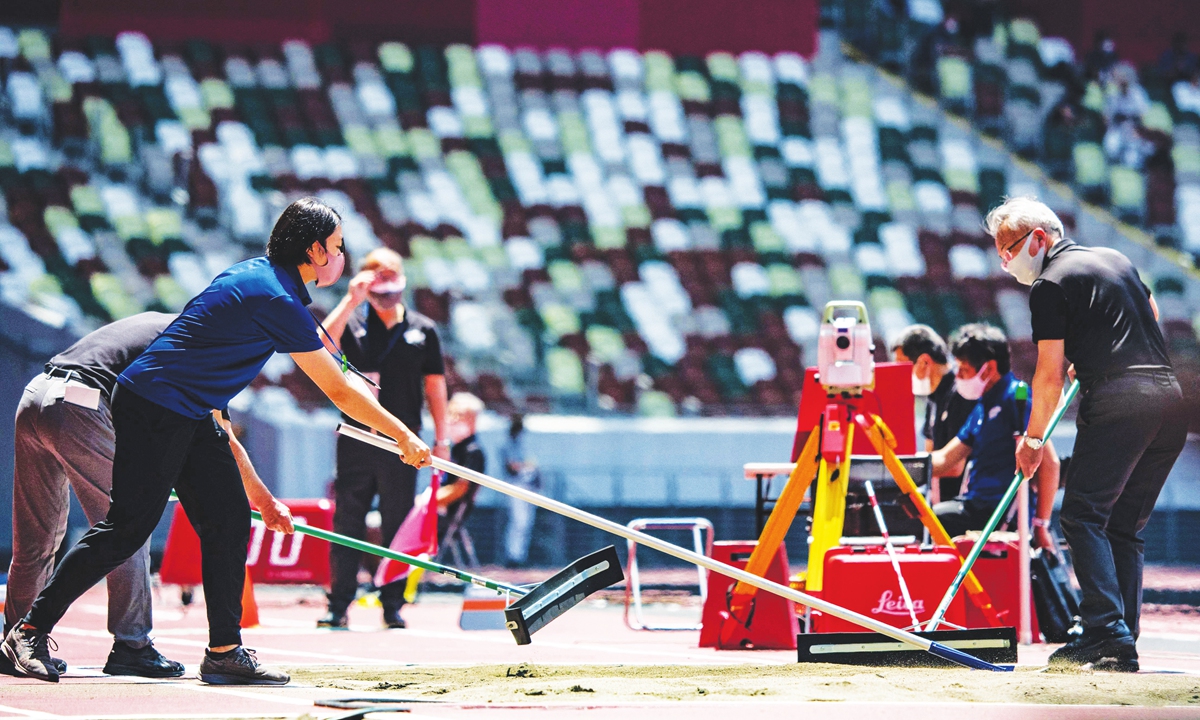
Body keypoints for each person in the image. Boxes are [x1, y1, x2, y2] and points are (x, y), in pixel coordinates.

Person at [2, 197, 431, 684]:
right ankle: (28, 631)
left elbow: (227, 413)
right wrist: (402, 436)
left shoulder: (259, 278)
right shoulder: (275, 298)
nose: (341, 257)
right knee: (126, 527)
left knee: (228, 520)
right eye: (337, 247)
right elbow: (336, 389)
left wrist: (263, 498)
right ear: (313, 251)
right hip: (154, 405)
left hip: (187, 409)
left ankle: (225, 651)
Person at [987, 196, 1186, 672]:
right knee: (1121, 524)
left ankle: (1104, 631)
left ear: (1040, 237)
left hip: (1121, 400)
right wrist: (1096, 346)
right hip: (1170, 401)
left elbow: (1048, 377)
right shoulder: (1115, 259)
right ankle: (1121, 634)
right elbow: (1150, 313)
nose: (1006, 262)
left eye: (1009, 249)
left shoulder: (1050, 284)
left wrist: (1033, 442)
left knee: (1081, 515)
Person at [4, 313, 183, 679]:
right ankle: (132, 645)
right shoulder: (191, 338)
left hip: (37, 391)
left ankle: (13, 641)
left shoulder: (155, 321)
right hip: (81, 404)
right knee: (126, 530)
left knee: (37, 540)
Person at [314, 247, 448, 631]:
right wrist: (351, 297)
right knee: (348, 521)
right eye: (378, 291)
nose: (386, 300)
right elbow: (320, 346)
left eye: (392, 290)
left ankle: (393, 605)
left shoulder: (423, 330)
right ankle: (338, 604)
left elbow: (436, 388)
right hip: (357, 438)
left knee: (397, 523)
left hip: (404, 443)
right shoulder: (353, 322)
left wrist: (442, 440)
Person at [929, 324, 1060, 544]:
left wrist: (1041, 526)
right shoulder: (982, 405)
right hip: (976, 504)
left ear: (988, 368)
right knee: (924, 513)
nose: (958, 377)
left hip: (1000, 511)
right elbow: (945, 459)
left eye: (964, 370)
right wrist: (894, 466)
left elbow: (1050, 464)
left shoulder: (1017, 398)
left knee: (931, 519)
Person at [891, 324, 974, 504]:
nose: (899, 374)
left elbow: (954, 466)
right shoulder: (933, 396)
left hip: (963, 502)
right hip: (939, 500)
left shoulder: (962, 394)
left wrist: (896, 471)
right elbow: (929, 453)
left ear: (924, 362)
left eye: (902, 366)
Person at [436, 392, 486, 545]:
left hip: (448, 516)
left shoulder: (473, 451)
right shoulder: (456, 448)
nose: (452, 419)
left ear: (473, 419)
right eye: (450, 414)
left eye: (458, 414)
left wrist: (427, 501)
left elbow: (460, 488)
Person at [501, 414, 540, 568]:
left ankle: (520, 555)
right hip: (515, 486)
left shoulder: (525, 444)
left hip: (529, 486)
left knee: (526, 523)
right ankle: (512, 556)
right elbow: (511, 466)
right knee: (518, 521)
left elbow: (533, 465)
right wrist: (526, 466)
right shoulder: (507, 444)